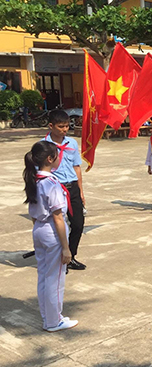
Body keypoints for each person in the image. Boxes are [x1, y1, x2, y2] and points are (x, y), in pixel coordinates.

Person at [23, 140, 78, 332]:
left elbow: (32, 213)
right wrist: (65, 247)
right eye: (57, 155)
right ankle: (54, 321)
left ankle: (49, 317)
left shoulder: (34, 180)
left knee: (44, 277)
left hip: (39, 229)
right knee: (55, 280)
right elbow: (58, 218)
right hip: (52, 232)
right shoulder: (51, 183)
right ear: (50, 159)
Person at [44, 109, 86, 271]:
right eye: (61, 126)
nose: (64, 130)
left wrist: (81, 190)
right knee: (57, 227)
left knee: (77, 224)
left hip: (72, 187)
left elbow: (77, 167)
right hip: (54, 189)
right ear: (51, 126)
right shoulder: (44, 145)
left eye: (67, 126)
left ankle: (70, 256)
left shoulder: (72, 143)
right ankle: (57, 260)